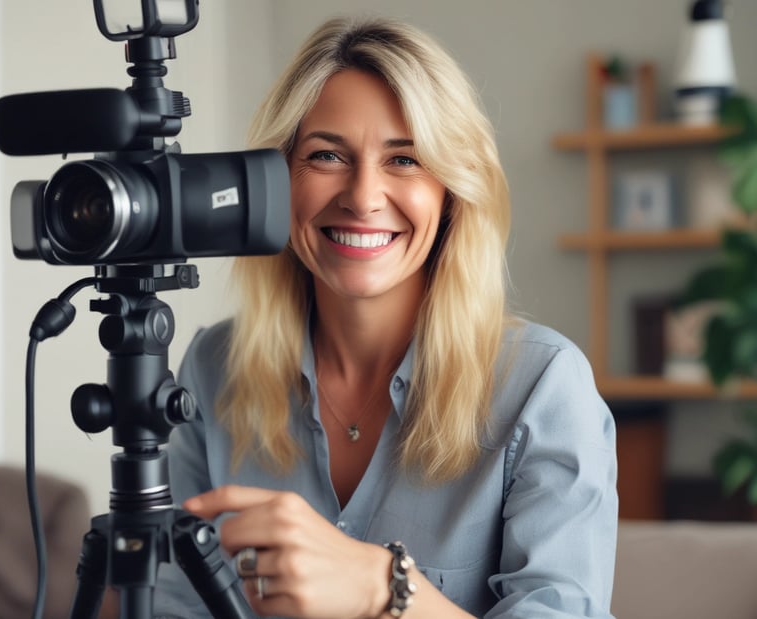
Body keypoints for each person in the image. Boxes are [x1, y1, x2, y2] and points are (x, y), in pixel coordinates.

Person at [154, 15, 618, 619]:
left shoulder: (545, 387)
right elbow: (173, 606)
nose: (364, 195)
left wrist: (383, 587)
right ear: (277, 181)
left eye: (404, 160)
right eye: (326, 155)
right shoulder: (212, 369)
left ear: (452, 191)